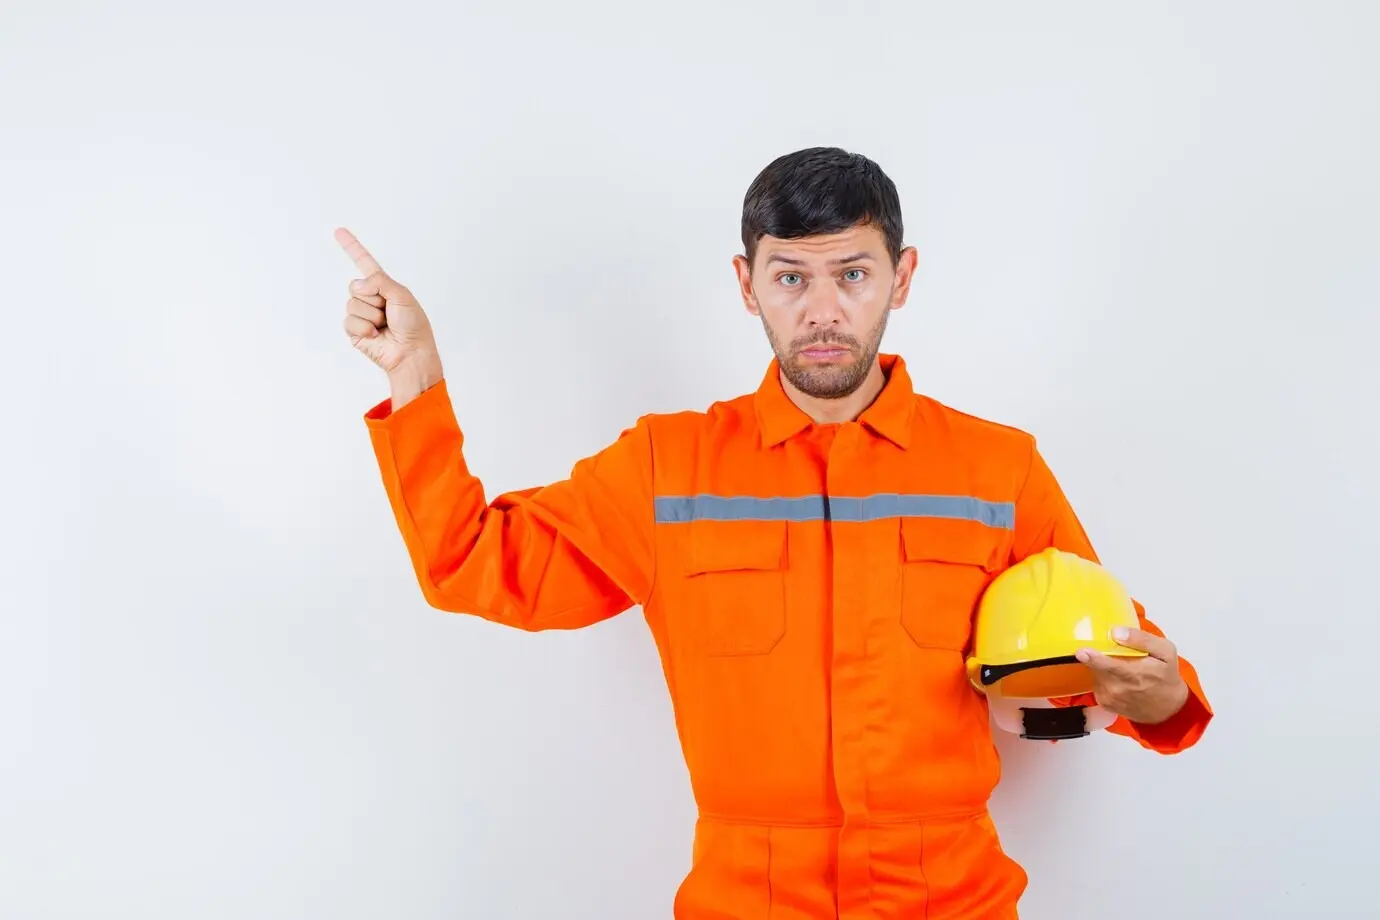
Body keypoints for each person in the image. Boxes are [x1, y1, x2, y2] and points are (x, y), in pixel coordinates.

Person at [336, 146, 1212, 919]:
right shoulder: (666, 470)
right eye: (791, 277)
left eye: (853, 274)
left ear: (902, 277)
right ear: (746, 283)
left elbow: (1122, 654)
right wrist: (415, 373)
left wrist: (1161, 698)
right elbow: (471, 562)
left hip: (953, 902)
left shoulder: (997, 470)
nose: (823, 310)